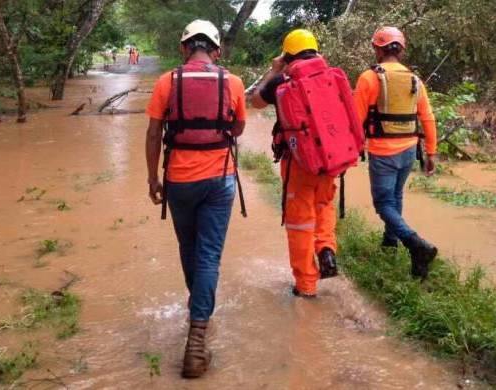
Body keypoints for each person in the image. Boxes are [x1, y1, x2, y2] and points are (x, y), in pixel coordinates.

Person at [145, 19, 247, 378]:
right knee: (208, 256)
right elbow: (237, 128)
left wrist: (152, 177)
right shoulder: (232, 82)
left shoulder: (165, 82)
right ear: (216, 51)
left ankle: (197, 312)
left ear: (185, 48)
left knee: (189, 249)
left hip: (179, 181)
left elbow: (154, 132)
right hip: (220, 180)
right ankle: (198, 333)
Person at [252, 29, 361, 298]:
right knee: (323, 204)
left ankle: (306, 285)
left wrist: (273, 69)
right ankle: (326, 249)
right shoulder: (331, 76)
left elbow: (254, 102)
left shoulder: (280, 81)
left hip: (298, 163)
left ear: (287, 55)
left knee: (300, 222)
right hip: (330, 159)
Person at [353, 26, 438, 279]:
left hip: (383, 151)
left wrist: (355, 148)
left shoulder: (369, 78)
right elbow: (428, 117)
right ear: (401, 50)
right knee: (396, 196)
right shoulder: (415, 79)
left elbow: (356, 120)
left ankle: (415, 244)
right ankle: (390, 243)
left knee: (383, 204)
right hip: (409, 150)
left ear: (377, 48)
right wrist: (431, 153)